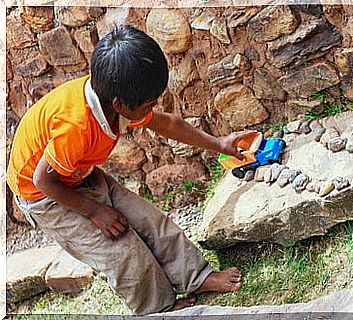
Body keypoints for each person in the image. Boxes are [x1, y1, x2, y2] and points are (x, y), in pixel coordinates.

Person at [6, 25, 251, 315]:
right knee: (121, 250)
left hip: (77, 172)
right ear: (120, 104)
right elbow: (43, 180)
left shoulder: (115, 94)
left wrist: (220, 144)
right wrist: (94, 211)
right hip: (46, 195)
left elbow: (168, 123)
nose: (154, 105)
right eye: (149, 103)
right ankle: (158, 309)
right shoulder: (76, 127)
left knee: (149, 221)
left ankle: (196, 278)